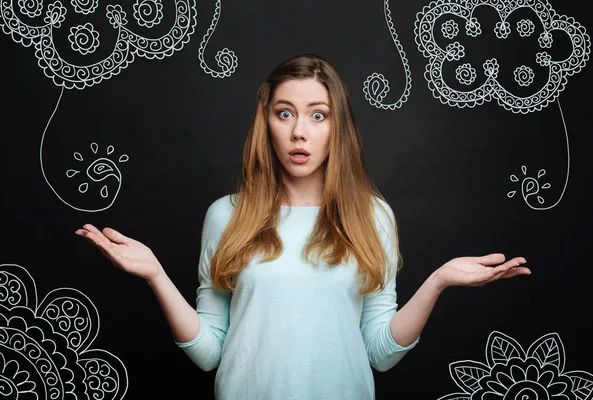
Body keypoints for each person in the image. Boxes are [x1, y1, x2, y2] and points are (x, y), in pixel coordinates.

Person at [75, 54, 530, 400]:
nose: (299, 132)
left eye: (318, 114)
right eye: (285, 112)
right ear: (266, 123)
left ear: (338, 127)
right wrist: (156, 275)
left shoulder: (373, 216)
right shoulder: (225, 215)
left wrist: (438, 282)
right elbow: (210, 353)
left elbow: (380, 354)